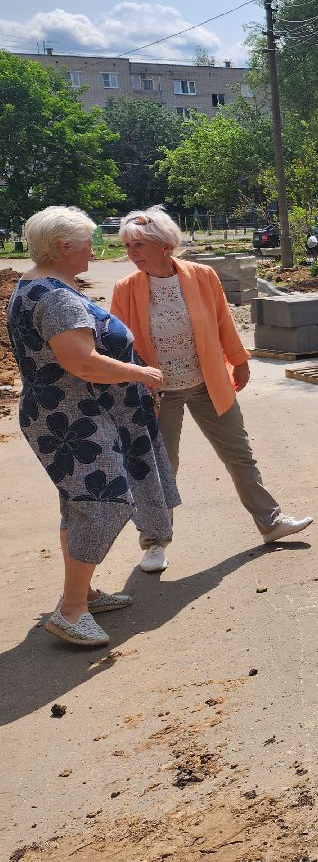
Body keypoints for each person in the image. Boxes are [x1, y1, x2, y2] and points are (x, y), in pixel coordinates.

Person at [6, 206, 179, 647]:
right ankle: (70, 610)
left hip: (64, 412)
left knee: (79, 504)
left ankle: (81, 593)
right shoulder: (57, 297)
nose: (95, 250)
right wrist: (141, 374)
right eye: (89, 243)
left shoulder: (34, 285)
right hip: (71, 417)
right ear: (65, 248)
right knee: (104, 501)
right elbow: (81, 362)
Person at [111, 207, 312, 573]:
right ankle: (154, 542)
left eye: (139, 244)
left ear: (166, 245)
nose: (132, 252)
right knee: (161, 467)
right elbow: (118, 342)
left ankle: (271, 522)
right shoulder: (126, 289)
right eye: (128, 245)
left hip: (207, 382)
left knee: (239, 454)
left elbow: (222, 321)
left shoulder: (202, 276)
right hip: (159, 392)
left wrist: (239, 359)